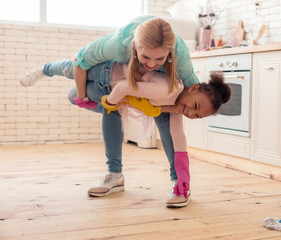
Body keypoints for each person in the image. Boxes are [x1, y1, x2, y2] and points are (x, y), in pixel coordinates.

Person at [20, 15, 200, 208]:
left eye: (160, 59)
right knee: (89, 98)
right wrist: (83, 98)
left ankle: (179, 184)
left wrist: (183, 173)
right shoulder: (118, 44)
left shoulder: (180, 60)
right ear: (134, 47)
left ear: (170, 54)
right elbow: (79, 60)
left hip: (145, 89)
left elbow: (191, 96)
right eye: (146, 56)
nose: (151, 64)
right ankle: (114, 175)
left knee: (165, 120)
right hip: (116, 78)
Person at [20, 59, 231, 207]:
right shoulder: (169, 88)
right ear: (193, 89)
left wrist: (183, 179)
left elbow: (173, 131)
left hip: (119, 90)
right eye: (194, 106)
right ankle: (45, 69)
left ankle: (133, 177)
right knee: (72, 76)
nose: (190, 113)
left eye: (197, 116)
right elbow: (125, 87)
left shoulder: (180, 103)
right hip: (111, 74)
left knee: (86, 99)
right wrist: (113, 102)